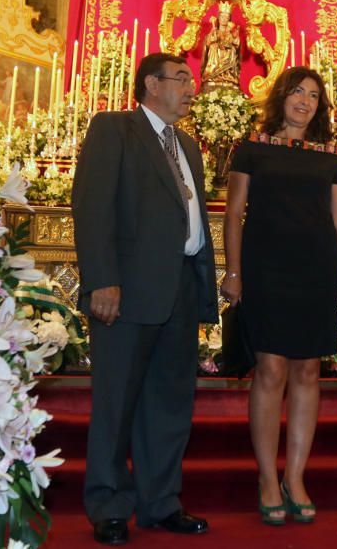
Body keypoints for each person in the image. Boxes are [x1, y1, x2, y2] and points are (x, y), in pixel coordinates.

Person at [72, 52, 219, 546]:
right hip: (127, 289)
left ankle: (161, 502)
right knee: (117, 401)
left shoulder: (189, 147)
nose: (190, 87)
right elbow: (92, 206)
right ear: (151, 85)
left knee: (170, 402)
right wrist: (102, 279)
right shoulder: (115, 129)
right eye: (181, 78)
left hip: (179, 287)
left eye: (191, 79)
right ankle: (110, 504)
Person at [221, 66, 337, 526]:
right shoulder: (252, 148)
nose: (304, 100)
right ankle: (266, 476)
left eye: (313, 95)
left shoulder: (331, 156)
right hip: (265, 269)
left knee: (307, 370)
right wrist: (234, 271)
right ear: (280, 97)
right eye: (297, 91)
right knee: (270, 367)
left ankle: (295, 477)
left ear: (320, 106)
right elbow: (234, 212)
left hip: (315, 270)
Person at [200, 1, 241, 92]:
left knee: (232, 50)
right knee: (214, 46)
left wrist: (233, 40)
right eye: (222, 17)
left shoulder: (232, 34)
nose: (224, 19)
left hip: (228, 56)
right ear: (218, 18)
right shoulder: (214, 31)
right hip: (214, 57)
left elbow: (237, 44)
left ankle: (228, 75)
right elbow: (208, 42)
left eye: (226, 17)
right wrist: (213, 32)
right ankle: (212, 74)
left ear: (229, 20)